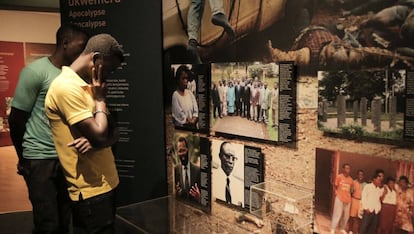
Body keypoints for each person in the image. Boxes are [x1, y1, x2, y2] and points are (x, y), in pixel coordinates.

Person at [9, 24, 89, 234]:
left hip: (67, 156)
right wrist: (24, 158)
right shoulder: (35, 72)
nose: (84, 53)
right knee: (47, 221)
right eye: (81, 47)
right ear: (65, 43)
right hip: (39, 158)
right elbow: (17, 119)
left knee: (65, 218)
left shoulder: (77, 76)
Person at [45, 33, 124, 233]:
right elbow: (99, 133)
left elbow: (114, 131)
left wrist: (98, 141)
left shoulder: (89, 85)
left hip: (107, 182)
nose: (108, 75)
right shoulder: (66, 88)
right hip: (90, 190)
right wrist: (99, 100)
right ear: (96, 59)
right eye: (108, 68)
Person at [214, 141, 243, 206]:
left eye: (233, 158)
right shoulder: (213, 178)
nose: (230, 161)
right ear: (220, 156)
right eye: (227, 156)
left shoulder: (239, 186)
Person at [174, 137, 201, 203]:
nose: (182, 154)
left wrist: (199, 197)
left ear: (188, 150)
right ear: (177, 153)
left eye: (183, 150)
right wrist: (177, 194)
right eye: (180, 151)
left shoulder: (197, 170)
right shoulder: (175, 170)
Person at [330, 163, 353, 234]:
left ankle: (342, 228)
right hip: (339, 198)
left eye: (349, 168)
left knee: (346, 216)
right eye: (346, 168)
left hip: (348, 200)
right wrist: (336, 192)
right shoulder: (339, 176)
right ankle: (333, 228)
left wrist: (349, 197)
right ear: (343, 169)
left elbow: (351, 190)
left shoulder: (351, 179)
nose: (347, 170)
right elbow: (335, 185)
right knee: (337, 214)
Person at [348, 169, 366, 234]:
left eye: (362, 174)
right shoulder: (353, 182)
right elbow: (351, 192)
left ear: (363, 176)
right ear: (357, 175)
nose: (360, 176)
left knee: (359, 217)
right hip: (354, 200)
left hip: (361, 202)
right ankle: (350, 230)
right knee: (352, 216)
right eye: (359, 174)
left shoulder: (365, 184)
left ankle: (357, 231)